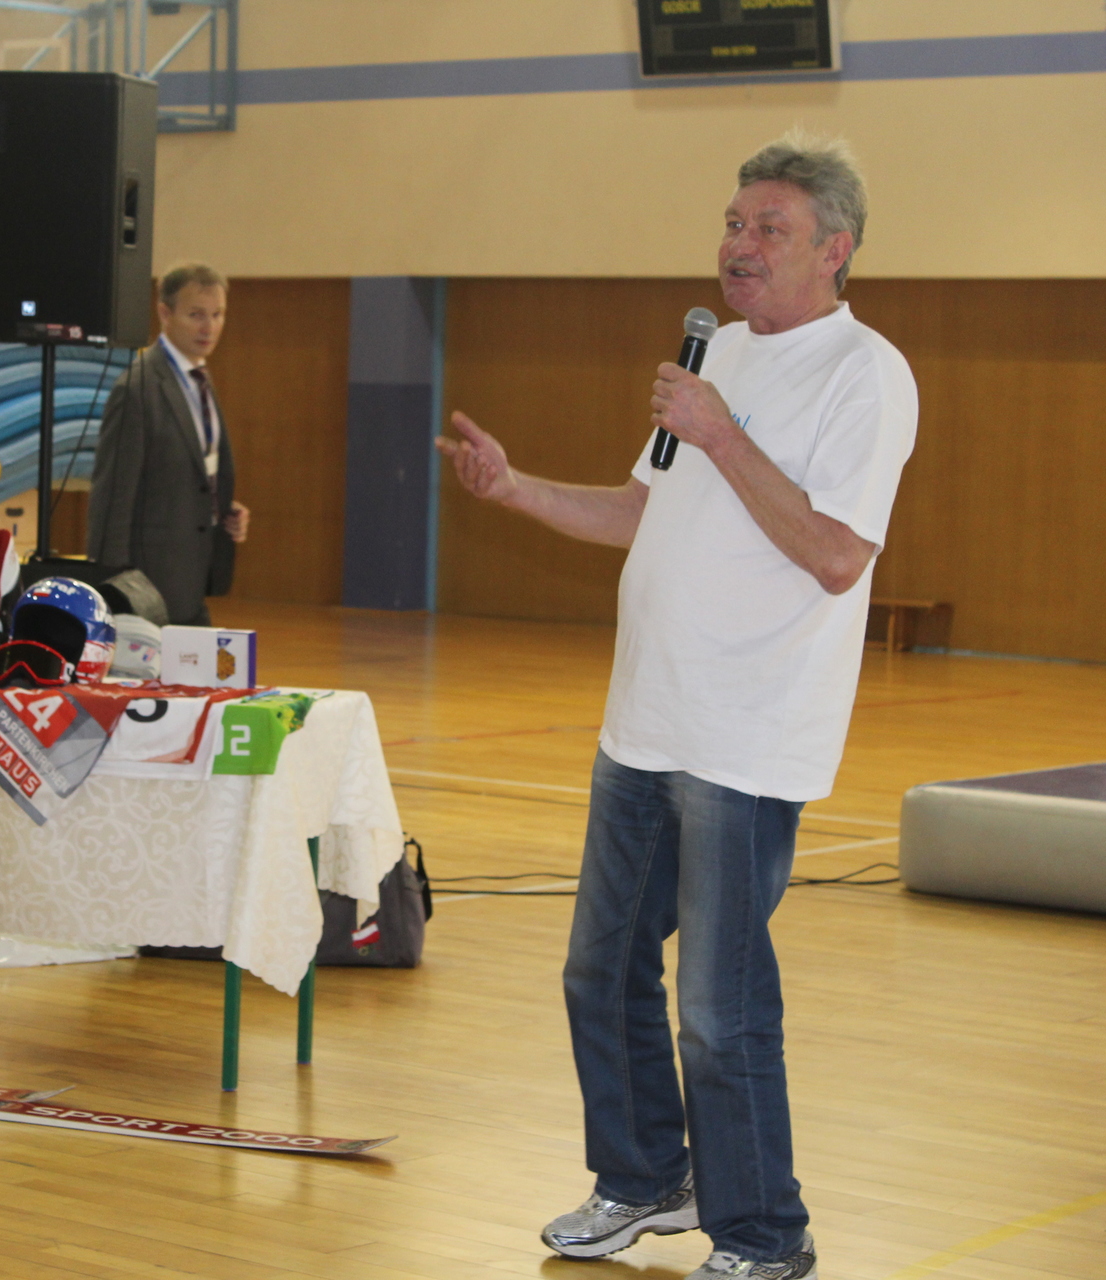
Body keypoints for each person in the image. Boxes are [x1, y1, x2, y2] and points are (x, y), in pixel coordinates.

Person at [438, 133, 916, 1280]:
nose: (738, 245)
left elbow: (836, 553)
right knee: (599, 972)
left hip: (744, 744)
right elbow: (639, 509)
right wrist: (515, 488)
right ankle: (645, 1175)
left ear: (835, 249)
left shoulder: (867, 374)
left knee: (719, 1004)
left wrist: (718, 430)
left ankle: (765, 1232)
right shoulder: (718, 357)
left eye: (768, 229)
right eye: (733, 223)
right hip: (643, 725)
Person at [87, 263, 251, 626]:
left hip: (193, 573)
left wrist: (221, 508)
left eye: (217, 315)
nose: (209, 327)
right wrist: (114, 590)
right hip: (150, 584)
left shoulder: (198, 379)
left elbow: (192, 471)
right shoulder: (138, 388)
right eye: (196, 315)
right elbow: (112, 497)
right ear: (165, 313)